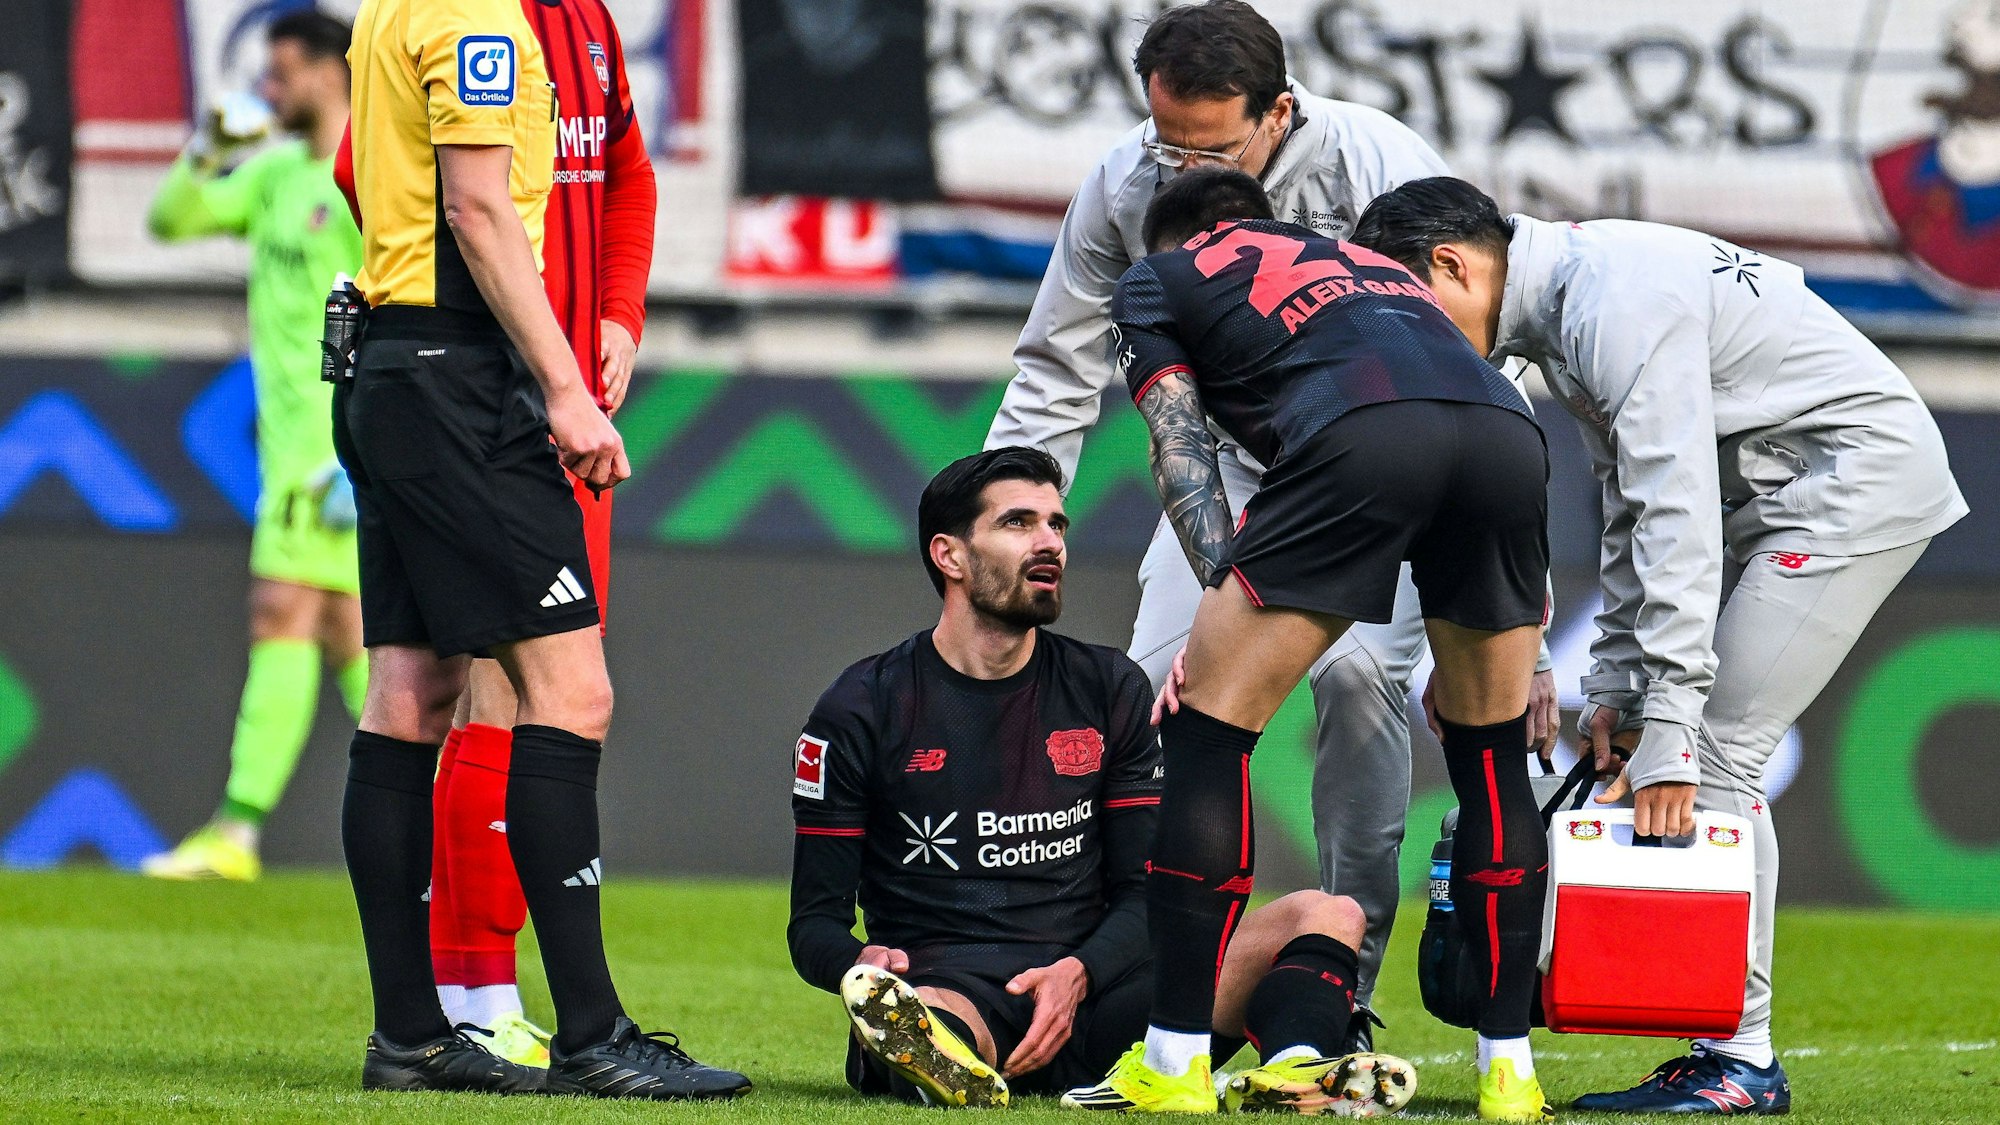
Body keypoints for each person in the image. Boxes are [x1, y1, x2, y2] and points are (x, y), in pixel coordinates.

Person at [983, 0, 1558, 1025]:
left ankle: (1339, 992)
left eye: (1206, 145)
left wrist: (1524, 628)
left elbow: (1473, 339)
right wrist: (993, 516)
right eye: (1162, 138)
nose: (1176, 165)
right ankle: (1119, 995)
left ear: (1279, 112)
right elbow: (1056, 367)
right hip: (1224, 465)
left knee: (1347, 685)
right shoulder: (1122, 185)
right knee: (1156, 701)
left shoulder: (1376, 160)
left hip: (1379, 468)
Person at [1351, 177, 1968, 1117]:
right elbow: (1627, 509)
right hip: (1780, 490)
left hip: (1853, 486)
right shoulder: (1570, 304)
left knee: (1716, 753)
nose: (1412, 334)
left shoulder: (1610, 303)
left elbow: (1677, 520)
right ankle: (1726, 1049)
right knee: (1694, 738)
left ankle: (1740, 1059)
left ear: (1453, 264)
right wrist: (1616, 689)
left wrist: (1667, 728)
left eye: (1410, 304)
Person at [1065, 170, 1554, 1121]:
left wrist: (1218, 604)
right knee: (1490, 763)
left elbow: (1180, 448)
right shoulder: (1373, 265)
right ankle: (1510, 1076)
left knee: (1208, 733)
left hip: (1361, 432)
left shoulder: (1157, 279)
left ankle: (1171, 1062)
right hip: (1504, 430)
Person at [338, 0, 744, 1098]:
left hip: (387, 363)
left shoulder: (396, 8)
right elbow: (475, 206)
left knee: (411, 695)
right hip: (463, 378)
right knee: (571, 693)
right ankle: (592, 1037)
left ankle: (412, 1038)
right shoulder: (478, 18)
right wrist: (563, 388)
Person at [790, 447, 1416, 1116]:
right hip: (956, 985)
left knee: (1329, 913)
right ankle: (928, 1051)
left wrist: (1078, 972)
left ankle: (1296, 1069)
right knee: (922, 1013)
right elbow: (814, 924)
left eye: (1057, 524)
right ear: (950, 555)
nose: (1050, 543)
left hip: (1111, 999)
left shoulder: (1106, 686)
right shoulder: (863, 705)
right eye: (1018, 523)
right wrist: (863, 962)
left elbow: (1145, 890)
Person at [140, 11, 367, 883]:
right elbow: (172, 220)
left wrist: (356, 445)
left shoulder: (362, 176)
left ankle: (235, 831)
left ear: (327, 74)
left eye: (282, 76)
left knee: (287, 613)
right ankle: (437, 822)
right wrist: (206, 148)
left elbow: (385, 295)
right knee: (354, 637)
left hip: (332, 452)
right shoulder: (274, 172)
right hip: (292, 449)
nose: (269, 92)